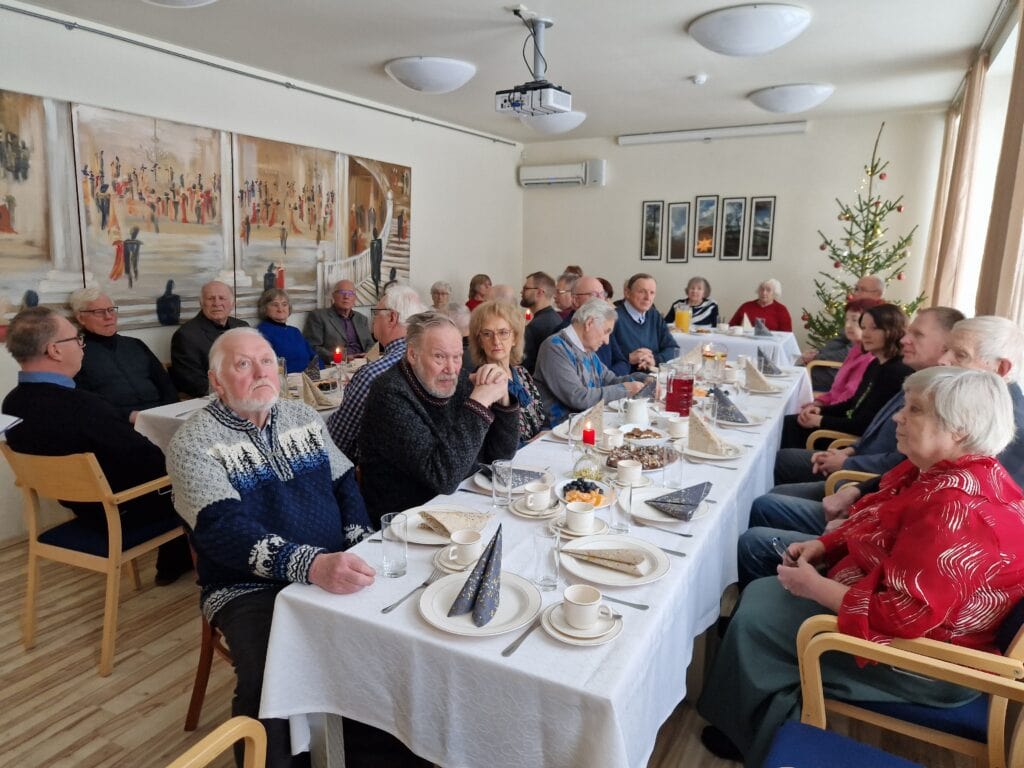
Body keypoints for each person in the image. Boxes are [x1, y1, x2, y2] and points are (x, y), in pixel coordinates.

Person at [699, 367, 1024, 768]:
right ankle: (762, 696)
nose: (897, 418)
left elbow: (902, 616)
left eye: (915, 410)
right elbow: (870, 520)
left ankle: (746, 732)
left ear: (958, 429)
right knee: (764, 593)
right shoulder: (943, 470)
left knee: (759, 612)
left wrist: (813, 587)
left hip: (930, 664)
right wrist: (822, 545)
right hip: (895, 608)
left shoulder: (958, 511)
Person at [166, 328, 425, 768]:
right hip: (246, 586)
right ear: (217, 380)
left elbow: (345, 482)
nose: (259, 373)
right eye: (242, 365)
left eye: (266, 361)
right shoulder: (193, 443)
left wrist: (355, 542)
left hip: (332, 565)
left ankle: (376, 751)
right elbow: (222, 531)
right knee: (271, 671)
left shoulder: (300, 416)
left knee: (396, 631)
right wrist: (312, 565)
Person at [738, 307, 971, 586]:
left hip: (861, 523)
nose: (905, 339)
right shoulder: (914, 380)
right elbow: (891, 455)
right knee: (772, 489)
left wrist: (848, 475)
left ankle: (761, 595)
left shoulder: (939, 407)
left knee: (765, 508)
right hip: (861, 495)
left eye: (958, 354)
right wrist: (850, 456)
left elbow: (899, 597)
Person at [3, 307, 191, 586]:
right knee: (198, 474)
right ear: (55, 350)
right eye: (77, 339)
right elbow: (149, 460)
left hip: (83, 508)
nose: (82, 347)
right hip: (121, 512)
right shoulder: (83, 407)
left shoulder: (11, 404)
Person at [358, 311, 519, 523]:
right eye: (439, 357)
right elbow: (443, 478)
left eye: (457, 357)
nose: (451, 369)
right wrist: (478, 403)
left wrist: (502, 400)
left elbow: (501, 456)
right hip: (409, 522)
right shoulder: (389, 393)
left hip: (463, 505)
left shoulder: (457, 379)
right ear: (413, 355)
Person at [779, 303, 911, 449]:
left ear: (892, 331)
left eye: (874, 328)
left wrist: (820, 420)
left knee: (789, 427)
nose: (866, 334)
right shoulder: (876, 364)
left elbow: (863, 425)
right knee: (789, 422)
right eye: (864, 327)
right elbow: (853, 403)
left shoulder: (895, 372)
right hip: (848, 427)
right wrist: (821, 410)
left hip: (851, 442)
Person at [327, 284, 425, 462]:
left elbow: (336, 440)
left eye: (376, 313)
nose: (373, 320)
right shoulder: (429, 361)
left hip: (372, 473)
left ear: (392, 318)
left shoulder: (372, 375)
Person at [534, 299, 652, 426]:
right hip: (559, 431)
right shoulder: (555, 347)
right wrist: (625, 389)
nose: (607, 341)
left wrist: (642, 379)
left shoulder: (586, 348)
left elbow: (611, 381)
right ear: (589, 323)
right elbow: (578, 398)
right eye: (606, 332)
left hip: (585, 424)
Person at [69, 287, 178, 423]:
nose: (108, 317)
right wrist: (128, 416)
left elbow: (166, 385)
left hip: (161, 415)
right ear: (81, 318)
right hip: (118, 423)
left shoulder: (135, 344)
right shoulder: (76, 353)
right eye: (99, 312)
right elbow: (86, 403)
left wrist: (169, 411)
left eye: (111, 310)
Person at [469, 300, 545, 446]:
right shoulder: (481, 382)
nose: (496, 341)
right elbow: (491, 444)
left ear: (515, 338)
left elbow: (542, 417)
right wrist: (531, 444)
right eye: (487, 334)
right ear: (480, 341)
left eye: (503, 333)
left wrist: (546, 433)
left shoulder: (522, 373)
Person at [796, 298, 883, 413]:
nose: (848, 325)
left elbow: (848, 399)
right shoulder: (856, 349)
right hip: (830, 406)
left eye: (855, 320)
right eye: (846, 320)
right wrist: (819, 402)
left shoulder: (869, 358)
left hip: (836, 413)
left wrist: (821, 410)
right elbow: (835, 391)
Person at [170, 280, 248, 398]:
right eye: (211, 298)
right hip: (215, 399)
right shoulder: (186, 335)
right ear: (201, 303)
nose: (216, 303)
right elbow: (193, 383)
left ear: (232, 304)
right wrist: (232, 393)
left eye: (222, 298)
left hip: (248, 392)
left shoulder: (243, 327)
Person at [800, 275, 885, 380]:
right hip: (831, 366)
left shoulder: (875, 317)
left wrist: (817, 358)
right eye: (856, 289)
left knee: (796, 376)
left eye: (862, 290)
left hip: (844, 373)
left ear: (878, 294)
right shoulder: (855, 311)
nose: (855, 293)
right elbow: (838, 341)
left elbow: (849, 353)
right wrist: (819, 353)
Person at [609, 273, 678, 374]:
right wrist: (628, 358)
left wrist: (654, 360)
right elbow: (603, 359)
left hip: (653, 377)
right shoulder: (613, 318)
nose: (648, 297)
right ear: (627, 293)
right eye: (642, 292)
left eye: (652, 293)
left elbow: (673, 349)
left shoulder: (654, 315)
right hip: (625, 381)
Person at [303, 279, 373, 364]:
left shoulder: (361, 319)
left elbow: (370, 344)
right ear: (333, 296)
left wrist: (368, 355)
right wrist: (342, 358)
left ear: (355, 298)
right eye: (342, 292)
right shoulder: (318, 316)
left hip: (363, 363)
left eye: (350, 293)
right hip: (337, 365)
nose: (346, 296)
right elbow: (312, 347)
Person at [255, 288, 319, 373]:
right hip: (287, 381)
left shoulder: (294, 331)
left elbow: (314, 357)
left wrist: (322, 374)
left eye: (284, 304)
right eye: (275, 305)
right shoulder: (262, 332)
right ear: (265, 309)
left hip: (309, 378)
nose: (280, 309)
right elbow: (268, 366)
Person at [520, 271, 562, 372]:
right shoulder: (556, 318)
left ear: (539, 292)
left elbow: (526, 366)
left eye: (526, 288)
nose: (521, 292)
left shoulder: (535, 327)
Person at [728, 278, 792, 331]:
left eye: (768, 290)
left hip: (770, 344)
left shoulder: (781, 310)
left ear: (775, 293)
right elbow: (731, 326)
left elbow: (786, 334)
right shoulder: (746, 306)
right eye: (761, 289)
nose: (764, 292)